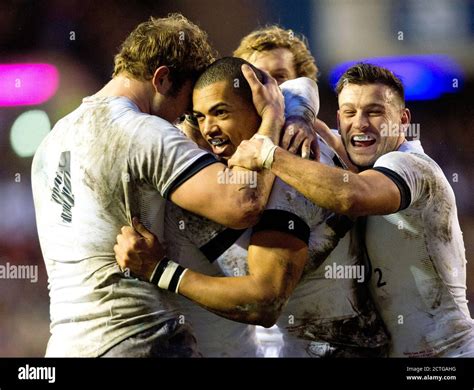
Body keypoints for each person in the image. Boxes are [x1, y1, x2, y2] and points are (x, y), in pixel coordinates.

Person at [31, 14, 284, 357]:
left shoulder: (52, 140)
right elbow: (243, 202)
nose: (185, 122)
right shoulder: (142, 131)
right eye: (186, 110)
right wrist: (272, 118)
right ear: (162, 79)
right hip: (136, 338)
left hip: (66, 345)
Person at [114, 57, 388, 357]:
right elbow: (299, 87)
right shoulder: (266, 154)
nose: (209, 129)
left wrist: (158, 270)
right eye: (199, 117)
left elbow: (264, 301)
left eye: (220, 113)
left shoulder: (291, 165)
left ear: (258, 105)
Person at [229, 63, 474, 357]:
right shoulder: (362, 159)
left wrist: (268, 153)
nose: (359, 123)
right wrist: (300, 118)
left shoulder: (411, 166)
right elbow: (303, 87)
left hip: (450, 355)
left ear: (403, 119)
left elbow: (349, 195)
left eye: (374, 111)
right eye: (349, 112)